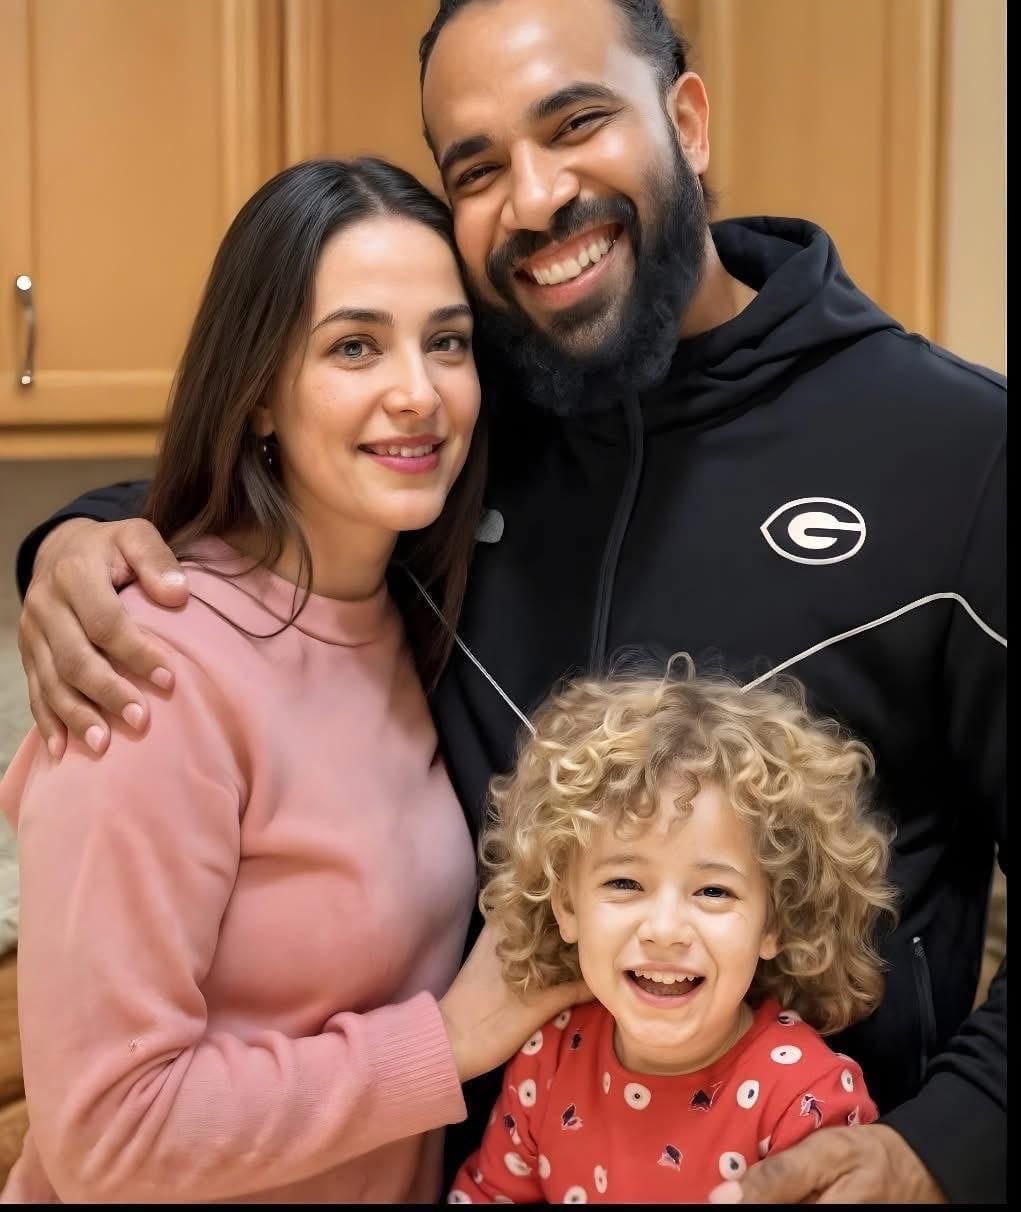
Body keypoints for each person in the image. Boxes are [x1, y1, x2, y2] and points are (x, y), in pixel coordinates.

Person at [12, 0, 1007, 1201]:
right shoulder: (479, 420)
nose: (534, 199)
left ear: (687, 123)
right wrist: (76, 539)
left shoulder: (955, 452)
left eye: (577, 122)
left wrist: (938, 1147)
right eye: (477, 168)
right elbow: (280, 475)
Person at [0, 156, 581, 1204]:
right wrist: (450, 1039)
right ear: (259, 394)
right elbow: (105, 1137)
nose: (417, 393)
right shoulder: (151, 666)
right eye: (354, 345)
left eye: (446, 342)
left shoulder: (409, 619)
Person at [449, 665, 896, 1204]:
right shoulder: (548, 1058)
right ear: (567, 906)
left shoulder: (806, 1098)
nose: (664, 930)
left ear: (774, 922)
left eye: (713, 891)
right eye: (625, 883)